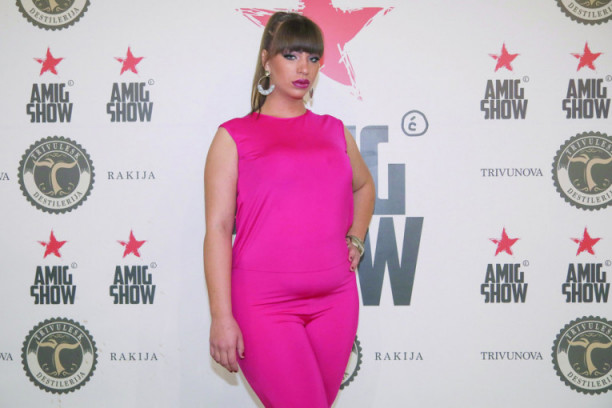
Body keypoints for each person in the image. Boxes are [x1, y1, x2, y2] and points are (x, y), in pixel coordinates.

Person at [204, 11, 375, 408]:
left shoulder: (334, 131)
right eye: (291, 55)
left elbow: (364, 187)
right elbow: (218, 229)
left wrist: (356, 237)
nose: (304, 68)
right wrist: (221, 316)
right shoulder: (234, 136)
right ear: (267, 60)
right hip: (263, 305)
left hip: (336, 300)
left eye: (313, 58)